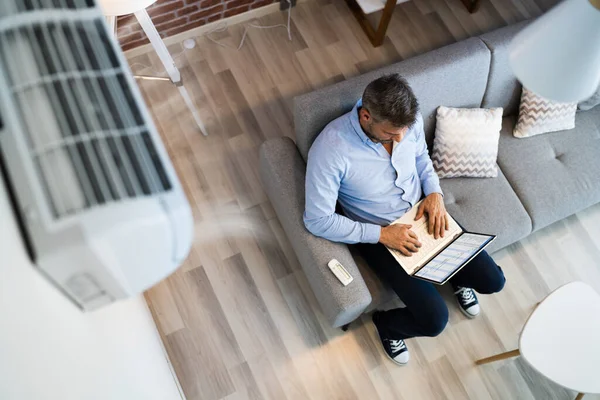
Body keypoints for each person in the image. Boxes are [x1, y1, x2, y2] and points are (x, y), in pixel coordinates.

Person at [303, 74, 506, 366]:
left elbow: (421, 157)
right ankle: (387, 326)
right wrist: (382, 235)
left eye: (404, 131)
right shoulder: (331, 150)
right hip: (380, 235)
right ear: (365, 116)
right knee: (435, 320)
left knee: (493, 281)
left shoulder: (406, 123)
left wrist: (434, 192)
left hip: (424, 212)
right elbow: (317, 220)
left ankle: (454, 275)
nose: (400, 139)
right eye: (390, 134)